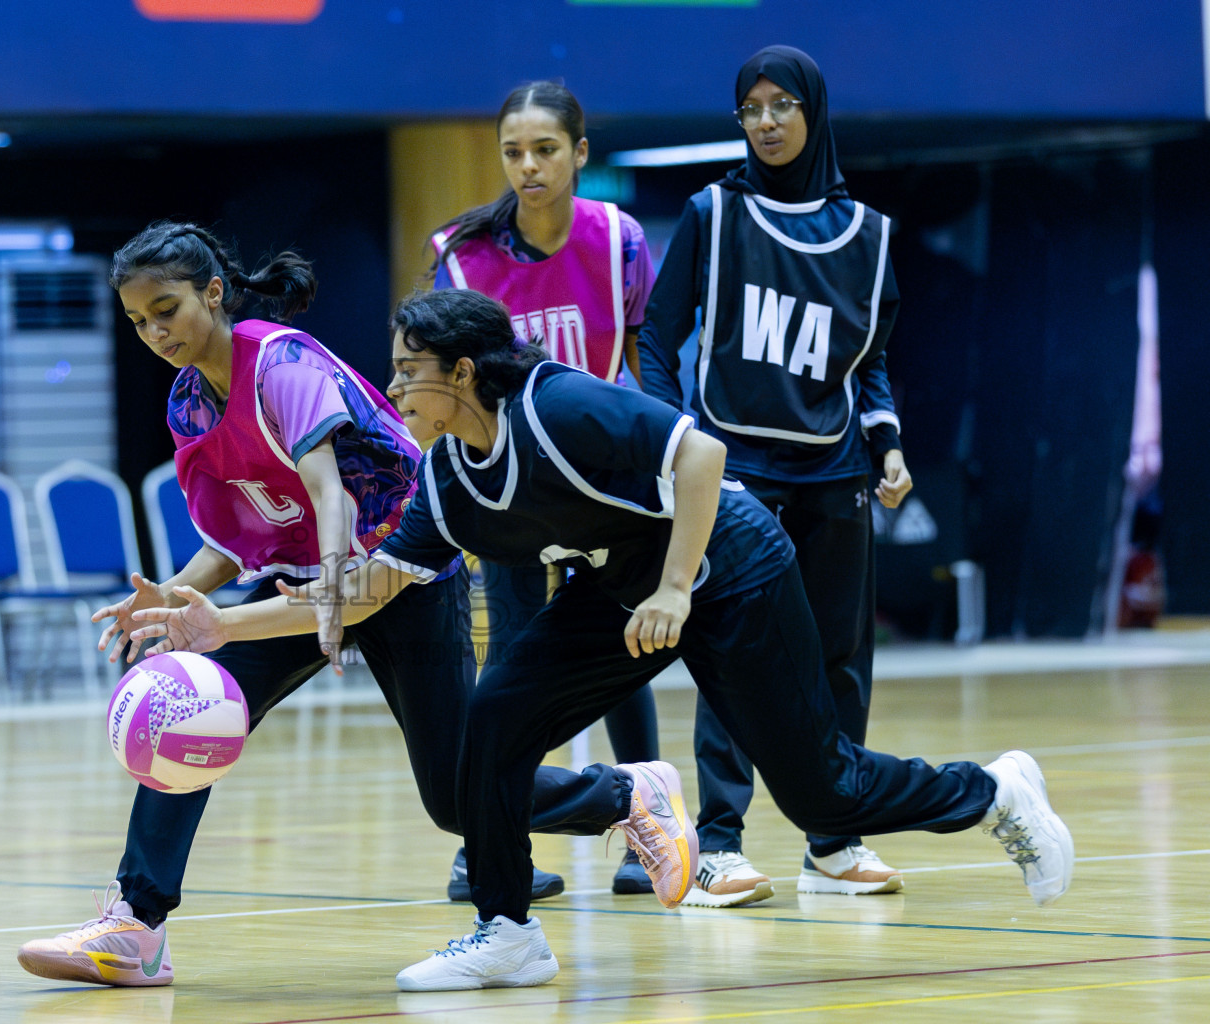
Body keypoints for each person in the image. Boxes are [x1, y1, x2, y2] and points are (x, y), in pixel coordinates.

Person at [127, 288, 1072, 992]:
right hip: (620, 586)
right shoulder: (450, 480)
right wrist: (226, 623)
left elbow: (701, 455)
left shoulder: (562, 406)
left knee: (822, 784)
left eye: (408, 368)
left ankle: (991, 792)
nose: (392, 385)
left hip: (731, 567)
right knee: (492, 722)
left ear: (461, 374)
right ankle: (508, 932)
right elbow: (369, 589)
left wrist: (673, 586)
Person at [16, 222, 687, 989]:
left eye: (166, 309)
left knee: (454, 796)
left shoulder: (281, 360)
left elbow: (325, 487)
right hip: (301, 586)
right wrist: (176, 596)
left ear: (212, 293)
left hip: (402, 573)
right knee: (183, 704)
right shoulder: (189, 407)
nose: (155, 331)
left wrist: (335, 585)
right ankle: (137, 925)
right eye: (139, 320)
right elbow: (239, 541)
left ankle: (628, 793)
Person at [637, 45, 914, 906]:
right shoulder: (713, 215)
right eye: (750, 107)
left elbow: (866, 364)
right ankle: (718, 844)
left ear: (812, 111)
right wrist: (677, 443)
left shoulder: (866, 235)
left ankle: (834, 840)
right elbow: (656, 337)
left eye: (780, 104)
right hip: (737, 472)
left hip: (835, 471)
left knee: (840, 663)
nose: (765, 121)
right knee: (736, 658)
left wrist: (891, 442)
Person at [430, 80, 662, 896]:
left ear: (580, 154)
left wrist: (667, 451)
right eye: (513, 152)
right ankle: (489, 847)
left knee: (625, 658)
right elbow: (439, 382)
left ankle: (650, 835)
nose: (527, 167)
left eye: (545, 150)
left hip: (600, 483)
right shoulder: (461, 255)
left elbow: (645, 360)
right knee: (518, 669)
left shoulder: (620, 241)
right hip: (511, 490)